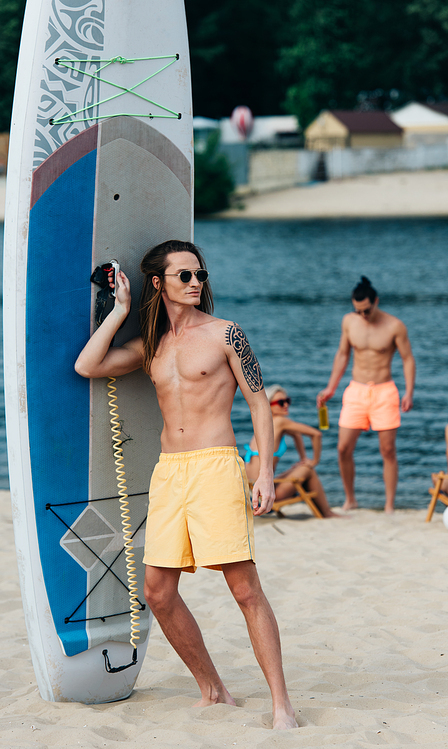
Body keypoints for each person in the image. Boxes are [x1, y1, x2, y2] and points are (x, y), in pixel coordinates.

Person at [75, 240, 297, 730]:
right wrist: (120, 311)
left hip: (216, 465)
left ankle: (283, 706)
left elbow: (260, 404)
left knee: (244, 590)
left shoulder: (225, 335)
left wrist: (264, 471)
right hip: (169, 471)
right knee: (157, 592)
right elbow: (87, 366)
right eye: (184, 276)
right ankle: (213, 689)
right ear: (160, 283)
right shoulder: (151, 346)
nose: (196, 282)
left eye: (200, 275)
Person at [316, 276, 415, 513]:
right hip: (356, 391)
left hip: (385, 392)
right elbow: (342, 354)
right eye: (358, 310)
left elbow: (407, 358)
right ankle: (350, 499)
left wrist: (409, 391)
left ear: (376, 301)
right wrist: (331, 387)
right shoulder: (349, 322)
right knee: (342, 449)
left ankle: (389, 504)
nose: (363, 315)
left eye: (367, 310)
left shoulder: (395, 326)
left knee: (388, 451)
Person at [244, 384, 341, 518]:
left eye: (287, 401)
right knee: (308, 469)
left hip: (251, 492)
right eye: (281, 402)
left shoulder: (265, 424)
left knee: (303, 466)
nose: (286, 405)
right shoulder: (280, 421)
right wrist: (314, 461)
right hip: (264, 496)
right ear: (269, 405)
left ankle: (325, 512)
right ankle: (327, 513)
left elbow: (296, 434)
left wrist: (303, 459)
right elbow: (316, 434)